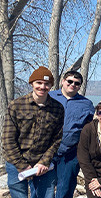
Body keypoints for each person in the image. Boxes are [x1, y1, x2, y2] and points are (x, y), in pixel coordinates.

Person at [3, 66, 64, 198]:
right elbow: (8, 140)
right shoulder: (16, 105)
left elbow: (57, 139)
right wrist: (22, 165)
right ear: (31, 84)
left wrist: (44, 161)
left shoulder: (57, 108)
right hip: (16, 163)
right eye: (39, 83)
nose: (43, 87)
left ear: (51, 85)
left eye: (47, 84)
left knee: (47, 195)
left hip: (43, 165)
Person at [49, 71, 95, 198]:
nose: (72, 85)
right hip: (47, 152)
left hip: (71, 153)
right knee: (44, 188)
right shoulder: (49, 97)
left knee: (65, 189)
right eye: (69, 81)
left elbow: (92, 128)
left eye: (76, 83)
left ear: (80, 86)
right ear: (63, 81)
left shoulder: (86, 104)